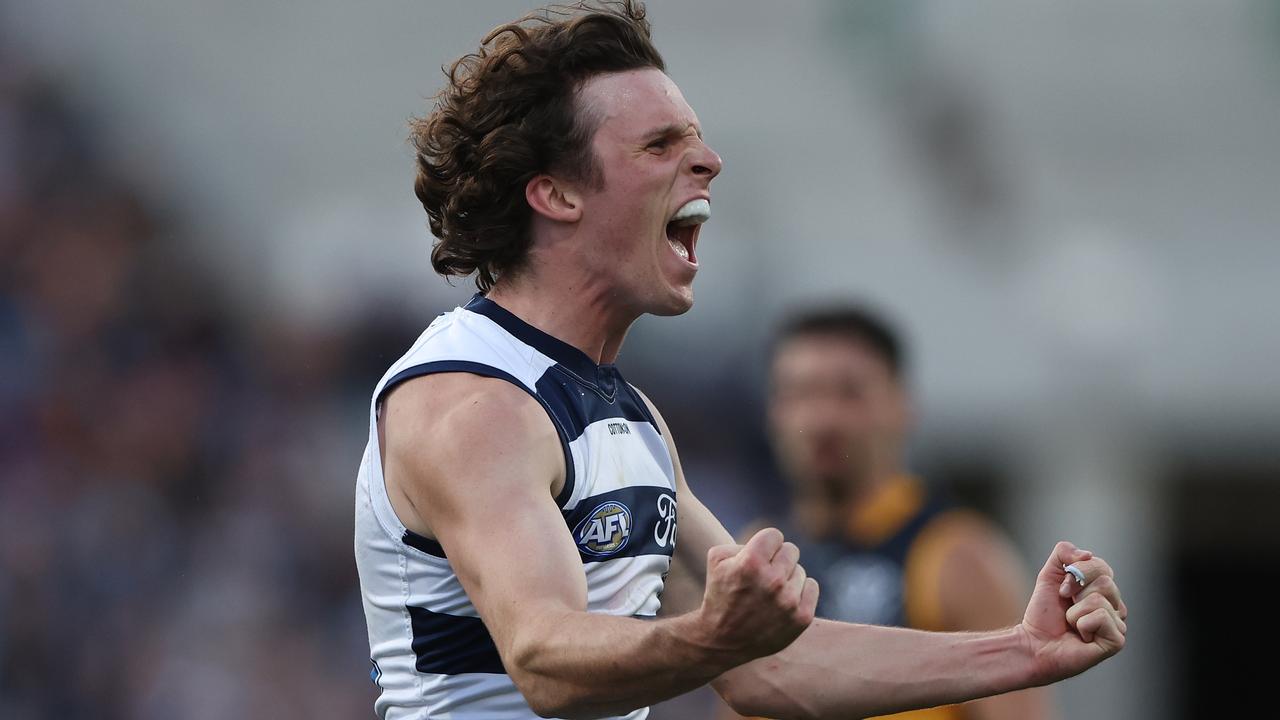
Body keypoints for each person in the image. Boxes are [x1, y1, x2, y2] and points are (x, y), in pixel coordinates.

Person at [353, 3, 1127, 719]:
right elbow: (544, 660)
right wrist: (714, 636)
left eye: (695, 139)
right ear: (556, 194)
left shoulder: (629, 416)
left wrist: (1023, 651)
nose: (710, 162)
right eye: (661, 145)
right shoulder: (474, 402)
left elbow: (772, 668)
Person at [719, 306, 1055, 720]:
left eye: (850, 393)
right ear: (774, 413)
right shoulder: (755, 553)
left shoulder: (959, 557)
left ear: (902, 406)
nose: (824, 418)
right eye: (802, 393)